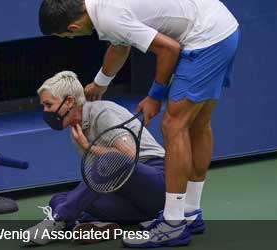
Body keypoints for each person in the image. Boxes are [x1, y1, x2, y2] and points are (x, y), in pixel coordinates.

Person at [38, 0, 239, 247]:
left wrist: (154, 96)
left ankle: (173, 224)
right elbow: (119, 45)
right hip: (221, 27)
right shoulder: (100, 8)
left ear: (73, 25)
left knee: (173, 125)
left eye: (66, 36)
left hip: (205, 37)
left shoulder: (108, 16)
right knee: (198, 124)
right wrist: (101, 82)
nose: (71, 38)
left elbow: (169, 49)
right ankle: (189, 213)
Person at [28, 71, 187, 245]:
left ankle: (58, 219)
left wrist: (89, 148)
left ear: (69, 102)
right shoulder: (76, 129)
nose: (45, 111)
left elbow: (128, 156)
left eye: (48, 105)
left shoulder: (103, 112)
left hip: (157, 184)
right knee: (59, 199)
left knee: (109, 161)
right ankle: (100, 226)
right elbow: (98, 181)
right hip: (132, 201)